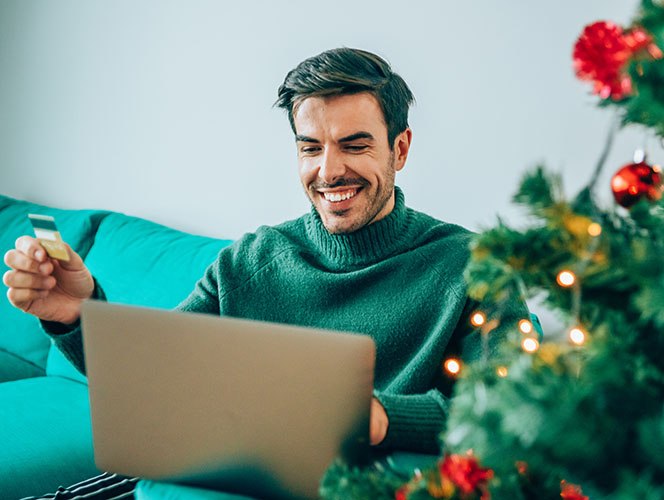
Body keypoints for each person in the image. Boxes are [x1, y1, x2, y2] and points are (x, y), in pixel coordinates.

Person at [3, 47, 527, 500]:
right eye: (310, 147)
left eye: (355, 144)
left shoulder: (473, 266)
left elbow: (512, 411)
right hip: (222, 477)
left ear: (401, 148)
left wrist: (379, 417)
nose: (329, 171)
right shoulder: (251, 259)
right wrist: (78, 312)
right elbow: (159, 380)